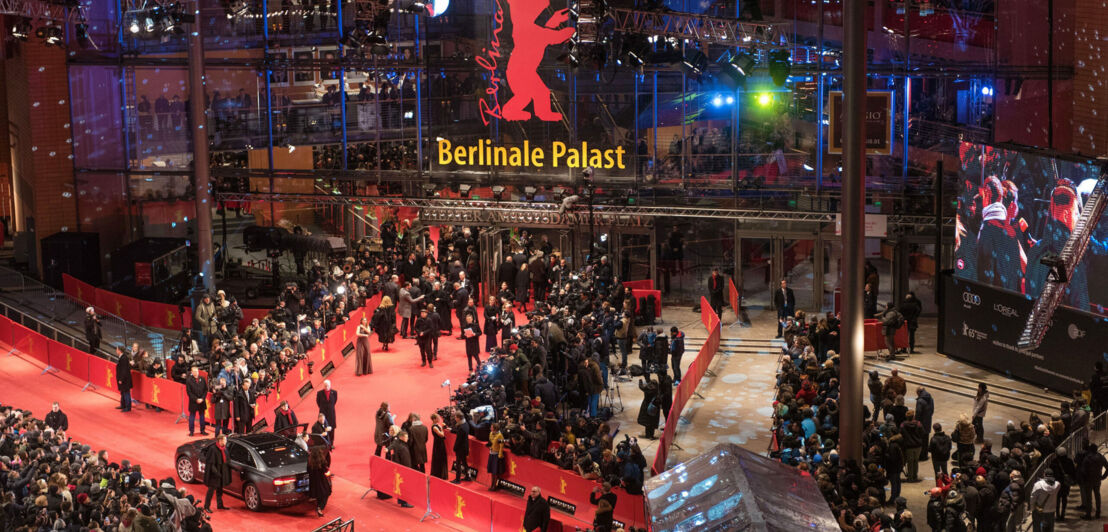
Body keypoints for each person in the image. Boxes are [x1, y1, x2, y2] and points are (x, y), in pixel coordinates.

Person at [1077, 441, 1108, 520]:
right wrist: (1103, 476)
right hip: (1097, 479)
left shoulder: (1087, 458)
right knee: (1097, 495)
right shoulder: (1100, 457)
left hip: (1088, 480)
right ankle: (1098, 513)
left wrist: (1083, 479)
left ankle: (1088, 514)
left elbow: (1083, 470)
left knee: (1089, 498)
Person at [203, 434, 231, 511]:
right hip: (214, 474)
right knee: (211, 491)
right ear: (220, 440)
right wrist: (217, 474)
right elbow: (211, 464)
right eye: (225, 440)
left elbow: (227, 461)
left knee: (220, 490)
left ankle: (220, 505)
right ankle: (206, 506)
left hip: (221, 473)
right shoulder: (213, 449)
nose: (226, 441)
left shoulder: (224, 448)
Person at [389, 430, 416, 508]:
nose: (407, 438)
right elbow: (406, 461)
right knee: (404, 486)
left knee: (400, 485)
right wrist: (408, 471)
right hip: (403, 469)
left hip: (398, 468)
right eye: (406, 437)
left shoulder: (397, 443)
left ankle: (400, 500)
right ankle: (404, 502)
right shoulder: (403, 448)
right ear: (402, 437)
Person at [308, 445, 332, 517]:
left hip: (313, 481)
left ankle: (319, 506)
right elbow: (325, 470)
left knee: (318, 495)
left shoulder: (309, 462)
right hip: (322, 481)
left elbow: (308, 471)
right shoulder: (322, 462)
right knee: (326, 493)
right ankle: (320, 507)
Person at [185, 366, 209, 436]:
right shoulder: (189, 380)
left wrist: (202, 398)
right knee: (192, 416)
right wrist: (196, 399)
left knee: (202, 416)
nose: (196, 373)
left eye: (197, 371)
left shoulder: (202, 379)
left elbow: (205, 390)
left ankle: (203, 430)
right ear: (192, 372)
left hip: (202, 401)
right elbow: (189, 392)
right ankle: (191, 431)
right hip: (193, 402)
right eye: (194, 372)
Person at [316, 380, 339, 445]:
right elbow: (318, 403)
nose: (326, 387)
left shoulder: (334, 392)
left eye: (328, 386)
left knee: (332, 428)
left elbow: (334, 401)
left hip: (331, 414)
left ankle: (331, 443)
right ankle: (325, 442)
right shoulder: (319, 393)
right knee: (323, 428)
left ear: (330, 385)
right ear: (323, 386)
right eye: (325, 386)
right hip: (323, 414)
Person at [451, 410, 471, 483]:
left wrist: (454, 448)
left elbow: (458, 440)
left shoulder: (461, 428)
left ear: (459, 418)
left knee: (458, 463)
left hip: (460, 449)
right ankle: (468, 476)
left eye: (455, 417)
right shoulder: (465, 424)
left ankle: (458, 479)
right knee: (465, 463)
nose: (455, 418)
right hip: (465, 447)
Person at [487, 422, 505, 490]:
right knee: (492, 471)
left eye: (491, 427)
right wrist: (489, 446)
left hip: (497, 455)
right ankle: (492, 484)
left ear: (495, 428)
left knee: (495, 471)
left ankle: (495, 485)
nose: (490, 428)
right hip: (491, 453)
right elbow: (490, 442)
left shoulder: (500, 435)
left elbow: (501, 445)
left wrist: (500, 454)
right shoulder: (491, 433)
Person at [430, 412, 448, 480]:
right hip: (438, 444)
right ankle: (438, 474)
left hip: (441, 443)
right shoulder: (434, 427)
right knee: (439, 458)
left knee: (442, 457)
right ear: (434, 419)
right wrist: (443, 428)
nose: (439, 419)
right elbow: (442, 435)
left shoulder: (437, 425)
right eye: (438, 418)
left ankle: (441, 473)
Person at [115, 346, 133, 412]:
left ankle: (128, 407)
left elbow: (124, 370)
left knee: (126, 393)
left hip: (125, 380)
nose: (116, 350)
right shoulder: (122, 357)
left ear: (120, 350)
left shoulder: (124, 358)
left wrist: (121, 379)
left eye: (117, 349)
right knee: (122, 392)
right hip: (123, 378)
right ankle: (123, 405)